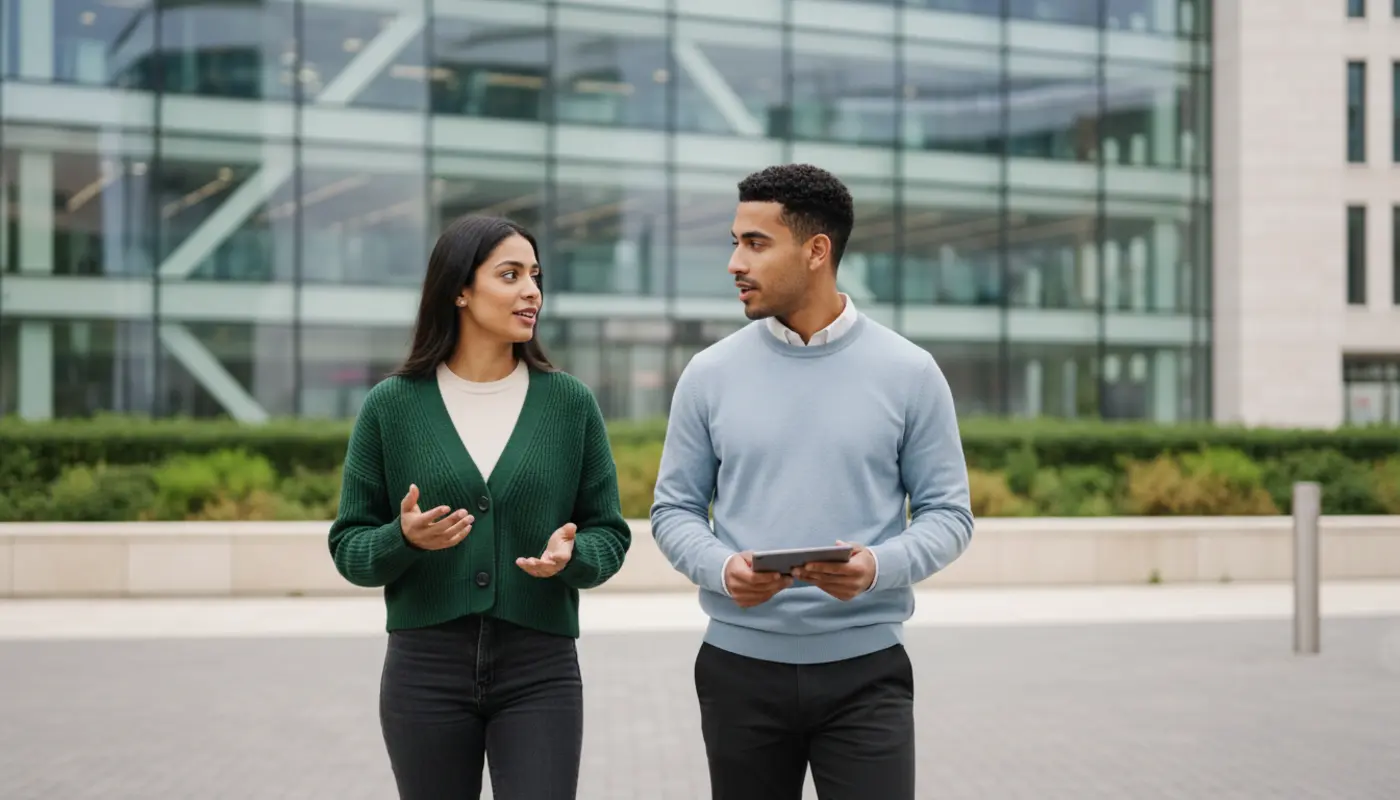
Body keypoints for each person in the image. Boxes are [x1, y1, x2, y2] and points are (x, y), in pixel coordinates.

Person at [650, 163, 975, 800]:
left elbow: (949, 514)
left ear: (816, 250)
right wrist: (722, 569)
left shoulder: (910, 372)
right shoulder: (708, 374)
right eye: (735, 242)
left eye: (756, 243)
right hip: (738, 671)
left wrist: (877, 566)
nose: (735, 263)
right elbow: (673, 511)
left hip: (866, 675)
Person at [328, 214, 631, 800]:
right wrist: (403, 539)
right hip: (425, 667)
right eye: (510, 275)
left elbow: (610, 534)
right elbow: (349, 546)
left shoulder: (569, 403)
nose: (531, 291)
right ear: (460, 290)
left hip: (539, 665)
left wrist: (573, 558)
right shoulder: (392, 406)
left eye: (535, 276)